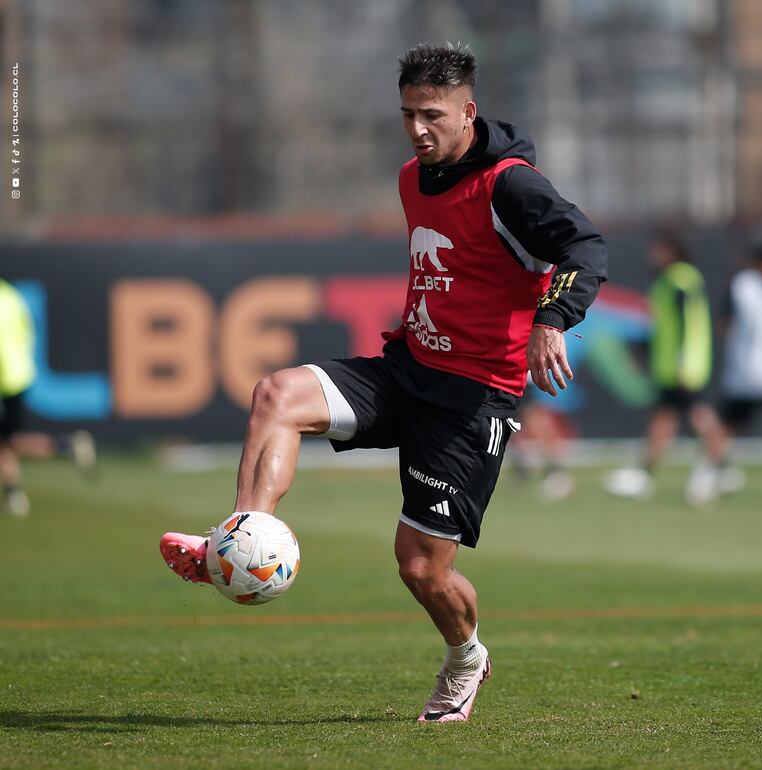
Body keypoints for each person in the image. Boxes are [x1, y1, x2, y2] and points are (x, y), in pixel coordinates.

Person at [161, 43, 607, 722]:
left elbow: (584, 246)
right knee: (275, 395)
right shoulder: (411, 178)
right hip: (409, 368)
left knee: (421, 569)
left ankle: (467, 659)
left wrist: (552, 320)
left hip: (470, 399)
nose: (418, 128)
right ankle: (240, 539)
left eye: (432, 114)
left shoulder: (510, 184)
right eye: (407, 114)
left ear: (468, 113)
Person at [602, 232, 723, 505]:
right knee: (664, 418)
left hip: (683, 367)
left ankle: (720, 466)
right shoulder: (668, 281)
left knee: (698, 415)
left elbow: (686, 324)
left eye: (657, 250)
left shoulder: (681, 280)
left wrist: (683, 360)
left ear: (671, 250)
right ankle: (645, 475)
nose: (652, 256)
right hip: (670, 367)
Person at [0, 279, 96, 517]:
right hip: (18, 373)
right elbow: (28, 331)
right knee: (7, 440)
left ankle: (65, 447)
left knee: (10, 441)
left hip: (5, 374)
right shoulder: (12, 296)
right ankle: (14, 493)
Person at [707, 238, 762, 488]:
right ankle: (708, 475)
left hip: (758, 372)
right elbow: (725, 326)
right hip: (747, 374)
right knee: (727, 427)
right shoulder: (743, 286)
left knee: (727, 427)